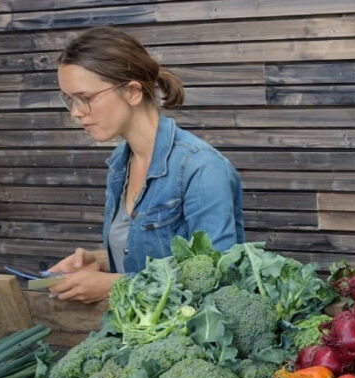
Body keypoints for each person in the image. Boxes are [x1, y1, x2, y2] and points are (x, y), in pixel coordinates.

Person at [49, 26, 244, 303]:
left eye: (85, 98)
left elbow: (218, 276)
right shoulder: (121, 162)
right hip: (134, 333)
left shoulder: (201, 168)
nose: (75, 112)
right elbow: (154, 256)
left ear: (131, 91)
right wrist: (99, 262)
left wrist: (113, 285)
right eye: (69, 99)